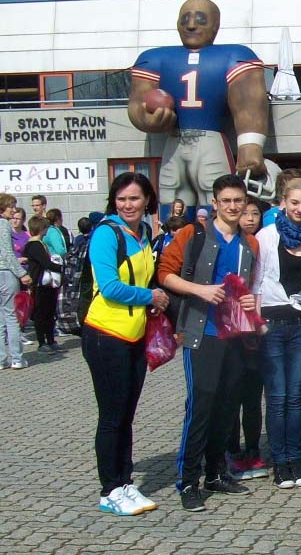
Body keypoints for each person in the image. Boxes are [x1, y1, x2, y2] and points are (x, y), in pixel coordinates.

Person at [160, 174, 260, 511]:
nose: (233, 206)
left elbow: (250, 286)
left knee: (227, 407)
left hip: (235, 337)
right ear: (215, 203)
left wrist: (250, 303)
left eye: (238, 201)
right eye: (226, 200)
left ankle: (216, 473)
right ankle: (188, 480)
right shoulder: (194, 235)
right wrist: (199, 290)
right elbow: (165, 274)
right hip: (202, 334)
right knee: (200, 407)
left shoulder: (250, 242)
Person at [82, 172, 170, 516]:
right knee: (112, 415)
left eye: (134, 198)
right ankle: (110, 488)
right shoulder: (106, 233)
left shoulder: (144, 233)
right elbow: (109, 286)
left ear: (147, 200)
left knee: (127, 414)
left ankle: (124, 480)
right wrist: (151, 295)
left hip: (134, 335)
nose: (128, 204)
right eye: (122, 199)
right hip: (106, 334)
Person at [127, 0, 269, 208]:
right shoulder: (154, 58)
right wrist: (146, 117)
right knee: (172, 202)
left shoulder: (235, 55)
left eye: (200, 20)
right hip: (174, 141)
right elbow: (139, 99)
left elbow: (248, 102)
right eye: (185, 19)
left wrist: (250, 145)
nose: (191, 25)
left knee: (215, 198)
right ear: (177, 24)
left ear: (215, 26)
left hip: (209, 141)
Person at [253, 177, 301, 490]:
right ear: (283, 202)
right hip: (270, 323)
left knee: (296, 397)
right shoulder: (267, 236)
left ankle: (296, 458)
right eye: (294, 203)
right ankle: (280, 460)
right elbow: (256, 282)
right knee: (278, 396)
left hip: (297, 324)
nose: (300, 209)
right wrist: (256, 322)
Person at [226, 195, 267, 481]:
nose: (250, 218)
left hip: (254, 331)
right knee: (231, 396)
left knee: (253, 396)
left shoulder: (259, 245)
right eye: (245, 213)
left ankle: (253, 449)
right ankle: (231, 450)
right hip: (228, 330)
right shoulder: (230, 245)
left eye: (255, 213)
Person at [22, 216, 63, 354]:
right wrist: (62, 268)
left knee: (49, 313)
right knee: (42, 314)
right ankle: (42, 343)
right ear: (42, 229)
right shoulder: (35, 245)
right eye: (46, 228)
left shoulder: (37, 244)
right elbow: (46, 263)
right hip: (40, 284)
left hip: (45, 284)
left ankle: (51, 340)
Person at [0, 193, 31, 369]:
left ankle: (1, 359)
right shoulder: (3, 225)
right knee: (11, 316)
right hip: (5, 273)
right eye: (11, 206)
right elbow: (8, 253)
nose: (13, 210)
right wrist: (21, 274)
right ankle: (16, 358)